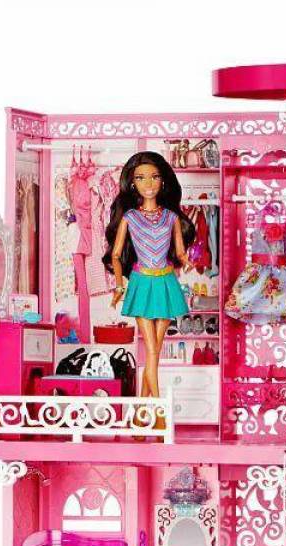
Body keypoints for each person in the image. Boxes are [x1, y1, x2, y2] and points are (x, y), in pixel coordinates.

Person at [101, 152, 195, 398]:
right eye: (141, 178)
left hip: (165, 282)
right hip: (141, 282)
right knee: (152, 351)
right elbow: (116, 255)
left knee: (155, 352)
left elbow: (180, 252)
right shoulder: (130, 218)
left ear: (163, 181)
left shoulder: (171, 217)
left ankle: (143, 409)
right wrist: (119, 286)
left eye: (154, 177)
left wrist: (187, 261)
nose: (149, 184)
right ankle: (158, 408)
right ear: (133, 183)